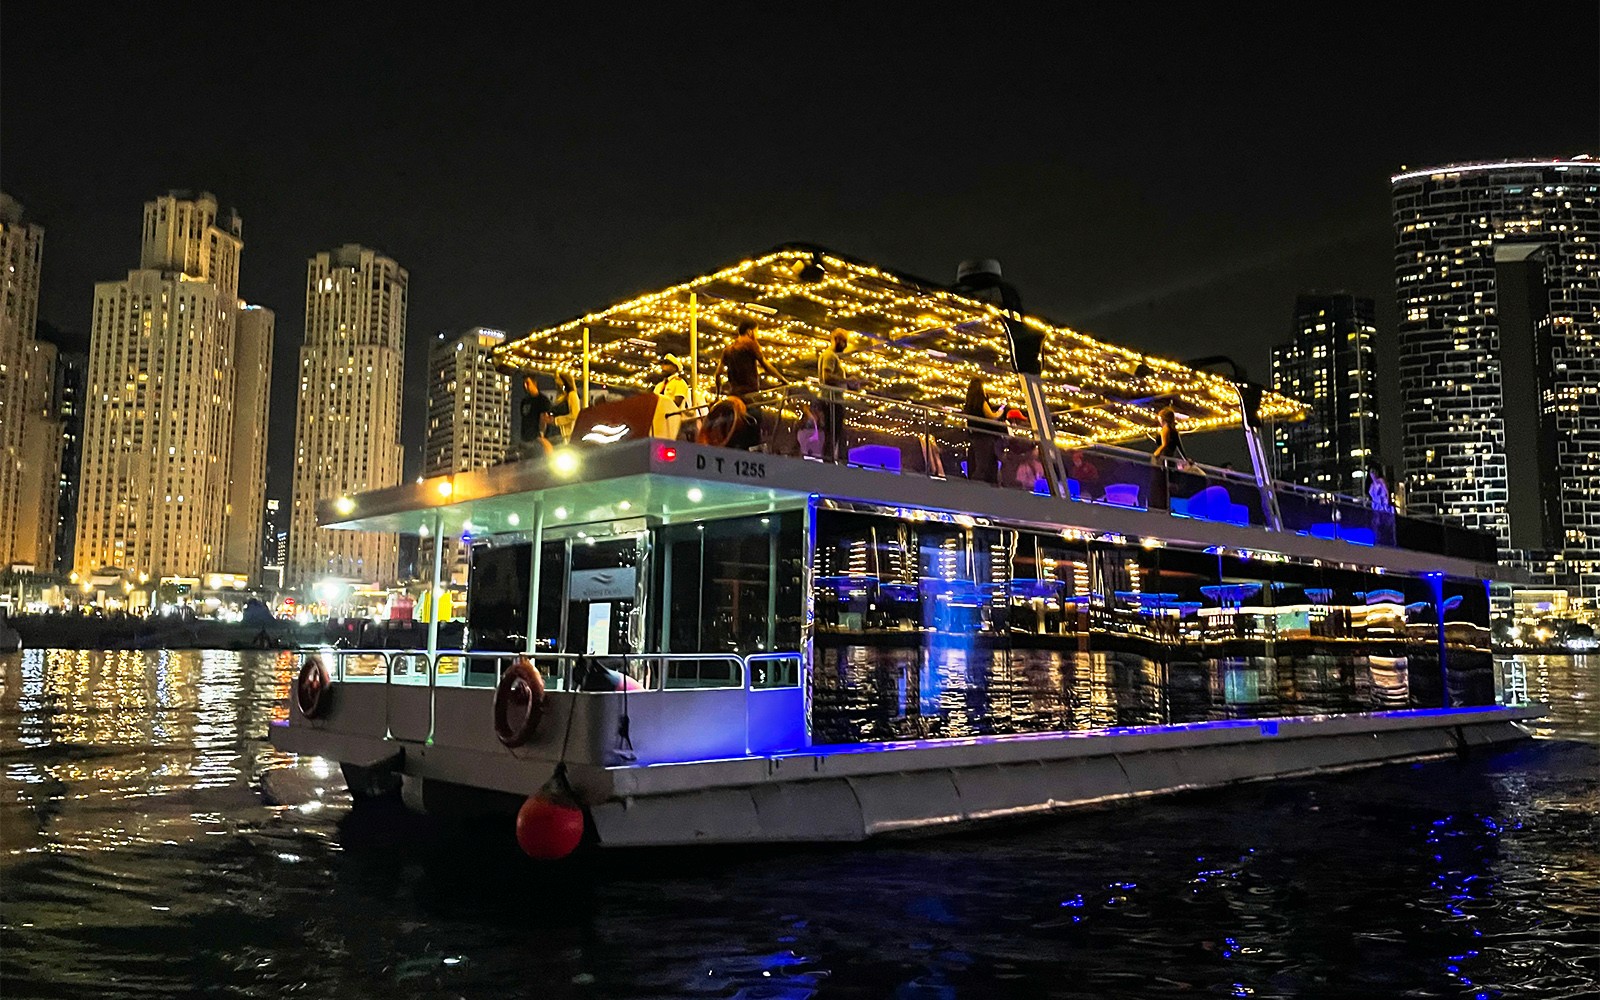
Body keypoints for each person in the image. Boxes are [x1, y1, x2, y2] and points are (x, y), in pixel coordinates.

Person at [713, 320, 788, 403]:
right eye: (756, 331)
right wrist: (783, 380)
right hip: (749, 395)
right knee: (759, 415)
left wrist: (717, 395)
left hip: (734, 395)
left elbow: (717, 374)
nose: (757, 335)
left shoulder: (727, 350)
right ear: (749, 332)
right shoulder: (751, 344)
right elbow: (766, 366)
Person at [817, 328, 855, 463]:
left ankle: (829, 458)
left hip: (831, 399)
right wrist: (847, 380)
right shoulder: (830, 356)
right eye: (844, 342)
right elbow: (827, 376)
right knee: (833, 432)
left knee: (832, 433)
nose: (845, 346)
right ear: (837, 340)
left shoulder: (828, 356)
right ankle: (829, 459)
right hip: (832, 400)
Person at [963, 376, 1004, 484]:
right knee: (985, 462)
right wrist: (1000, 411)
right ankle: (981, 482)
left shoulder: (969, 404)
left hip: (975, 435)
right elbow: (991, 416)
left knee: (980, 460)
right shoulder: (981, 401)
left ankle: (977, 481)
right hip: (985, 435)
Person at [1149, 404, 1189, 508]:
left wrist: (1156, 453)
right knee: (1168, 484)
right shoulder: (1174, 431)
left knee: (1160, 484)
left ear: (1163, 419)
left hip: (1162, 460)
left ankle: (1160, 505)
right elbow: (1180, 448)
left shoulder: (1165, 429)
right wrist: (1186, 459)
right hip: (1170, 460)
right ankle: (1168, 505)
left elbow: (1164, 444)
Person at [652, 354, 690, 441]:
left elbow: (677, 403)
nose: (663, 366)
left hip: (674, 421)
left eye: (667, 364)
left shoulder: (679, 383)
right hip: (658, 421)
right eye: (662, 364)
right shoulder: (659, 386)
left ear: (675, 367)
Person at [552, 372, 580, 442]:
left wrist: (556, 420)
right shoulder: (560, 397)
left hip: (568, 434)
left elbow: (575, 414)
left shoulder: (572, 395)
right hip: (558, 433)